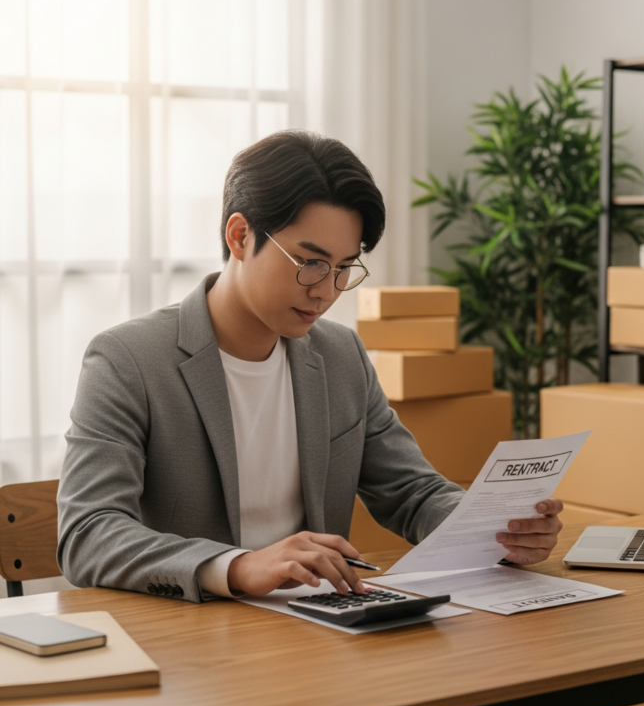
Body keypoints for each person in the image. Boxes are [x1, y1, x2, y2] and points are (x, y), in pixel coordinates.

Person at [57, 130, 563, 605]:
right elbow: (87, 533)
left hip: (322, 624)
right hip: (192, 632)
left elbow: (411, 491)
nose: (326, 291)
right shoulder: (128, 360)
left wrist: (495, 529)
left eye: (344, 268)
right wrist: (238, 566)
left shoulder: (340, 355)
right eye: (310, 262)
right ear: (240, 236)